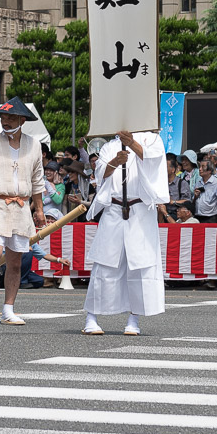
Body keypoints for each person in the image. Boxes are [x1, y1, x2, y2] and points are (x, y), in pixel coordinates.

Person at [82, 130, 166, 336]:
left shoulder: (153, 139)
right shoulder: (110, 145)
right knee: (105, 263)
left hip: (140, 210)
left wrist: (133, 144)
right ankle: (91, 317)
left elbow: (154, 162)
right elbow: (100, 172)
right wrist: (115, 161)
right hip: (114, 208)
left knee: (140, 264)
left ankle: (133, 319)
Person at [0, 96, 47, 326]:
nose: (6, 121)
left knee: (16, 261)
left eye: (11, 117)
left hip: (22, 206)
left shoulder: (34, 145)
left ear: (22, 120)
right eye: (3, 117)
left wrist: (40, 209)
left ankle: (8, 309)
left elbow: (38, 180)